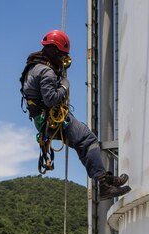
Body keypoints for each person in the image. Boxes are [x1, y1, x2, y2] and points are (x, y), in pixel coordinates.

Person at [20, 29, 131, 201]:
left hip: (45, 121)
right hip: (52, 120)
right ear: (54, 51)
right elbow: (51, 100)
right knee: (88, 140)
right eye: (62, 54)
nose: (63, 58)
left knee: (82, 142)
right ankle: (104, 184)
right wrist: (64, 85)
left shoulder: (34, 67)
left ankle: (104, 179)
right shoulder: (46, 72)